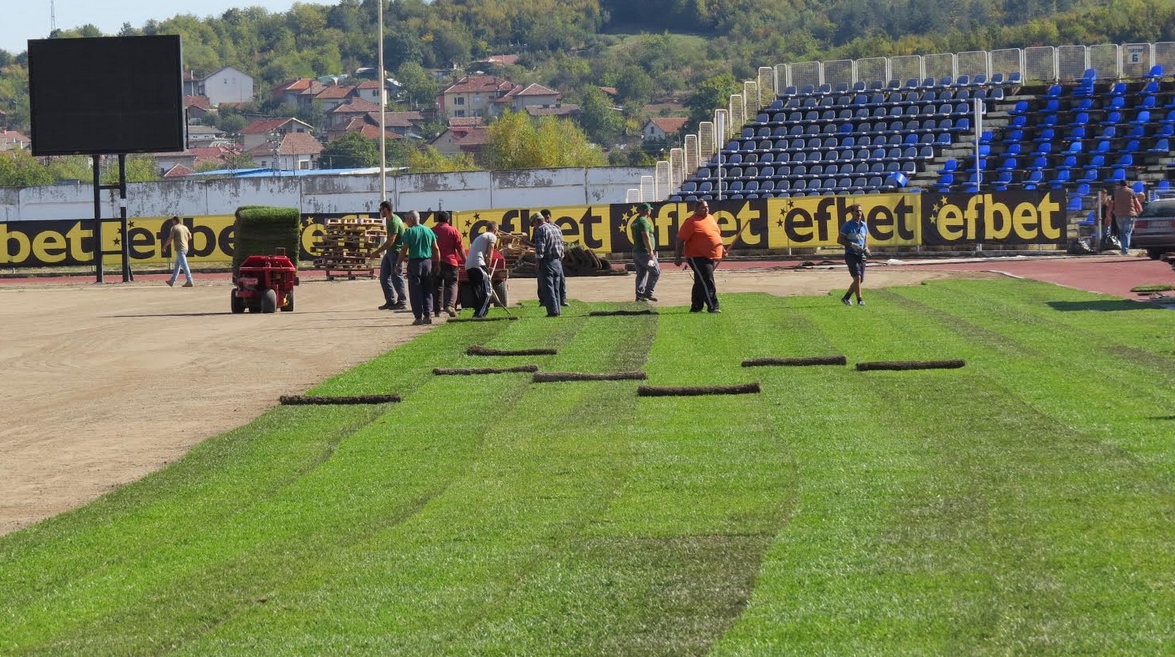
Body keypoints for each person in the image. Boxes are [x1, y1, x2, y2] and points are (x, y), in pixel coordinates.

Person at [673, 200, 723, 313]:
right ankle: (713, 306)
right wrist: (678, 257)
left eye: (707, 207)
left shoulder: (711, 218)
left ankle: (696, 306)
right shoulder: (691, 222)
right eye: (703, 208)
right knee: (707, 280)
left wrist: (722, 249)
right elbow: (680, 240)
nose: (706, 209)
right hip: (697, 256)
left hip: (710, 255)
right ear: (696, 210)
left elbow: (716, 235)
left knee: (700, 281)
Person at [398, 210, 439, 325]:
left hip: (415, 263)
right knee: (427, 290)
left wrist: (398, 264)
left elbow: (404, 249)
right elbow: (436, 248)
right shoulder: (428, 230)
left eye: (406, 219)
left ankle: (418, 317)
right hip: (427, 262)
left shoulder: (409, 232)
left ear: (411, 219)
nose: (406, 222)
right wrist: (438, 263)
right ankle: (428, 314)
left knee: (415, 291)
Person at [369, 201, 407, 310]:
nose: (380, 212)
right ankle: (390, 301)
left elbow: (391, 240)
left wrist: (376, 252)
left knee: (396, 277)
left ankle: (402, 302)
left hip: (396, 253)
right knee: (384, 277)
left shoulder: (395, 221)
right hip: (390, 252)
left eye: (380, 209)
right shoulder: (389, 221)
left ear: (385, 209)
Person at [431, 211, 466, 317]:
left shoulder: (431, 231)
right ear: (448, 220)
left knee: (436, 286)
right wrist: (465, 260)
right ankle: (450, 305)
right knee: (452, 284)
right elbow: (459, 248)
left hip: (435, 262)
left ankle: (437, 310)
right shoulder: (453, 230)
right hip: (450, 262)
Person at [531, 212, 565, 317]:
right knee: (556, 287)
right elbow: (562, 245)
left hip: (547, 261)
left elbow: (540, 248)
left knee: (548, 287)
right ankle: (558, 309)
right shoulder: (556, 228)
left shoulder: (540, 230)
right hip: (557, 261)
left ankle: (553, 312)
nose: (534, 226)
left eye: (533, 224)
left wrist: (537, 262)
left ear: (537, 221)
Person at [837, 203, 870, 306]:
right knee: (857, 278)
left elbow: (865, 239)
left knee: (860, 280)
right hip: (851, 254)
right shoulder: (847, 225)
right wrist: (851, 244)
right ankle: (860, 300)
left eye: (860, 211)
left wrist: (866, 248)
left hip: (861, 255)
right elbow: (839, 240)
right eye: (856, 211)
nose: (859, 213)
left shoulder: (864, 225)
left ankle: (846, 298)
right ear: (851, 213)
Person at [465, 222, 499, 318]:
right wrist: (488, 265)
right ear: (495, 230)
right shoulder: (492, 236)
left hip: (469, 265)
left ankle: (477, 311)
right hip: (478, 264)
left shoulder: (480, 237)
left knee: (476, 289)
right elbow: (490, 251)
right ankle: (481, 313)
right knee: (488, 290)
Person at [630, 202, 660, 302]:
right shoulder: (643, 222)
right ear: (646, 211)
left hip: (637, 251)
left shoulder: (634, 222)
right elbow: (645, 236)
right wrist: (650, 251)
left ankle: (639, 295)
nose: (650, 211)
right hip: (644, 252)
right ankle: (648, 293)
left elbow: (634, 237)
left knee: (641, 273)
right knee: (655, 271)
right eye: (649, 209)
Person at [541, 209, 569, 307]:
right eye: (544, 218)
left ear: (550, 217)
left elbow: (561, 242)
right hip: (546, 258)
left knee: (560, 280)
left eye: (547, 218)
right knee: (543, 281)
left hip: (556, 258)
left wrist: (561, 255)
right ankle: (543, 300)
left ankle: (562, 299)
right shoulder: (539, 229)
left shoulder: (556, 227)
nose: (546, 220)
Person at [1112, 179, 1142, 256]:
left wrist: (1109, 214)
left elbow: (1112, 204)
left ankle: (1123, 249)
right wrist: (1140, 211)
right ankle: (1125, 250)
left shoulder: (1115, 193)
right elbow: (1136, 203)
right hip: (1129, 214)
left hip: (1118, 214)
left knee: (1122, 232)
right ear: (1127, 184)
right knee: (1127, 232)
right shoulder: (1131, 191)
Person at [161, 216, 194, 287]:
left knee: (184, 265)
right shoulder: (185, 227)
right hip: (185, 248)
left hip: (180, 248)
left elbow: (170, 238)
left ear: (175, 221)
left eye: (173, 221)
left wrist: (165, 246)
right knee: (177, 266)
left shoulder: (174, 228)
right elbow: (190, 237)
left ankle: (189, 280)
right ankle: (172, 281)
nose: (172, 223)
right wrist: (184, 240)